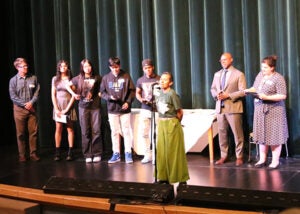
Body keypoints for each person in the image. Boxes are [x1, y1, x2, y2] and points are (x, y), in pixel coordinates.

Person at [244, 55, 288, 169]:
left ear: (272, 68)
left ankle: (275, 161)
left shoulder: (278, 78)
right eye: (262, 67)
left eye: (265, 68)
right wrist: (248, 91)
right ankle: (262, 160)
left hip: (274, 111)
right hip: (260, 110)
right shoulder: (260, 75)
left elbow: (282, 95)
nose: (263, 70)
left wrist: (266, 97)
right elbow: (255, 88)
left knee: (274, 135)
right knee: (261, 135)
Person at [210, 52, 246, 166]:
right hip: (220, 108)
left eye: (225, 59)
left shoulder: (238, 74)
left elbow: (243, 91)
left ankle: (239, 156)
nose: (223, 62)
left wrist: (228, 95)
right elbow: (213, 88)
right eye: (221, 60)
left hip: (233, 107)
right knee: (222, 133)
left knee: (237, 133)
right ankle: (223, 155)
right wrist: (217, 95)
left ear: (231, 60)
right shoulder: (217, 74)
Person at [154, 71, 189, 184]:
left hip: (171, 123)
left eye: (165, 79)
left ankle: (180, 178)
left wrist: (174, 123)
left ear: (171, 82)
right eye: (161, 79)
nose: (162, 81)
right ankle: (163, 176)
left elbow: (180, 112)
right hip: (161, 123)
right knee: (162, 151)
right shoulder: (158, 93)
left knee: (173, 152)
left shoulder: (172, 94)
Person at [99, 57, 135, 164]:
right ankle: (116, 153)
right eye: (113, 68)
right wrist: (109, 97)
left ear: (120, 66)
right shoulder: (106, 78)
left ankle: (128, 152)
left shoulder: (126, 75)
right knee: (114, 132)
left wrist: (128, 102)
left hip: (124, 109)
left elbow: (132, 91)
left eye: (117, 67)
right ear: (110, 67)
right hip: (112, 109)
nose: (115, 69)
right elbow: (102, 93)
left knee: (126, 131)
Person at [66, 59, 103, 163]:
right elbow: (67, 85)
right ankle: (87, 154)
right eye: (85, 66)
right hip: (83, 107)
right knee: (85, 131)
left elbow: (101, 89)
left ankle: (97, 153)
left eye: (89, 66)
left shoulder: (97, 77)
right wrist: (74, 94)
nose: (88, 68)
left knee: (96, 130)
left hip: (95, 107)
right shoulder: (78, 78)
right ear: (82, 67)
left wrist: (100, 94)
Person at [9, 57, 40, 162]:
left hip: (31, 109)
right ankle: (22, 155)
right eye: (23, 66)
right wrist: (24, 104)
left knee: (33, 132)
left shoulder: (33, 78)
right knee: (21, 134)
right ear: (17, 67)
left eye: (26, 65)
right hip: (19, 110)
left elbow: (37, 91)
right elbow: (13, 96)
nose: (26, 67)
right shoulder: (13, 80)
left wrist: (31, 102)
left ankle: (33, 153)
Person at [51, 60, 77, 161]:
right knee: (58, 128)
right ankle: (57, 152)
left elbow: (73, 95)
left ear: (68, 68)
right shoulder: (55, 79)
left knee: (70, 129)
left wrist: (67, 109)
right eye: (61, 66)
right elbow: (53, 94)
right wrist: (56, 108)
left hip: (68, 106)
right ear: (59, 68)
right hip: (58, 107)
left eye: (65, 66)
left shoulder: (72, 79)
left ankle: (70, 152)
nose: (63, 68)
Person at [135, 59, 160, 164]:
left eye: (149, 67)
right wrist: (141, 100)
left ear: (153, 67)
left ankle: (156, 155)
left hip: (157, 109)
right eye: (145, 68)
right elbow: (137, 93)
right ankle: (147, 154)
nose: (148, 70)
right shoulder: (140, 80)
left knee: (156, 133)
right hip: (145, 108)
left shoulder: (159, 79)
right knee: (144, 133)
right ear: (143, 69)